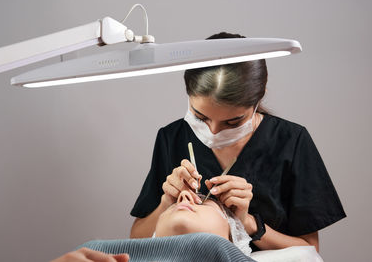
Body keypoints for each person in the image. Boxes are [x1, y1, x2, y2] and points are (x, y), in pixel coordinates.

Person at [130, 32, 346, 252]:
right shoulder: (172, 138)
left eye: (233, 122)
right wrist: (167, 203)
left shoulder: (292, 141)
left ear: (258, 99)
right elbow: (137, 239)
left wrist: (249, 223)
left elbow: (309, 251)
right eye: (200, 117)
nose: (212, 131)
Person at [51, 190, 254, 262]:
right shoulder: (94, 250)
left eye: (203, 202)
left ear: (233, 236)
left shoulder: (222, 252)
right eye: (173, 204)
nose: (184, 196)